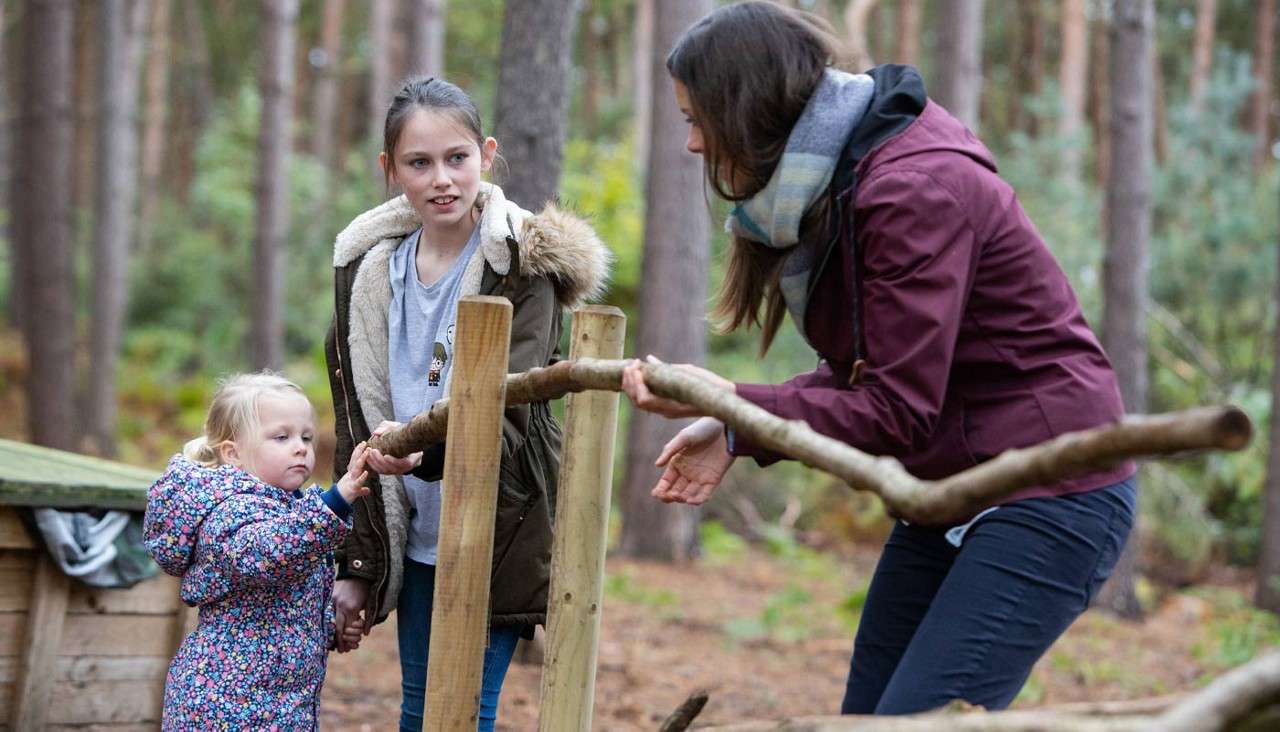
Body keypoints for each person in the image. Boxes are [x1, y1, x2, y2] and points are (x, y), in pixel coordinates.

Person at [620, 1, 1137, 716]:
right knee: (868, 722)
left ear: (748, 109)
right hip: (954, 480)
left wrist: (732, 404)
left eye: (696, 119)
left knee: (914, 725)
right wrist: (735, 429)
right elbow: (871, 370)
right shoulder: (845, 173)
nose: (694, 145)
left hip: (1050, 485)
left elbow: (896, 410)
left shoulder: (911, 188)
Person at [324, 76, 610, 732]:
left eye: (456, 158)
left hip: (495, 526)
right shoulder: (371, 271)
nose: (442, 179)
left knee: (462, 713)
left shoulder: (523, 268)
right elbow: (357, 421)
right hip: (413, 531)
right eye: (419, 163)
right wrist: (359, 561)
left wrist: (425, 449)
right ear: (390, 170)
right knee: (420, 708)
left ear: (485, 153)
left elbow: (510, 417)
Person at [143, 372, 370, 730]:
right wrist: (335, 501)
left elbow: (274, 607)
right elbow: (267, 555)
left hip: (271, 703)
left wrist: (327, 627)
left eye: (306, 437)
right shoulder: (229, 511)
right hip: (226, 705)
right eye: (282, 437)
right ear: (233, 453)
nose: (301, 447)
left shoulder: (287, 509)